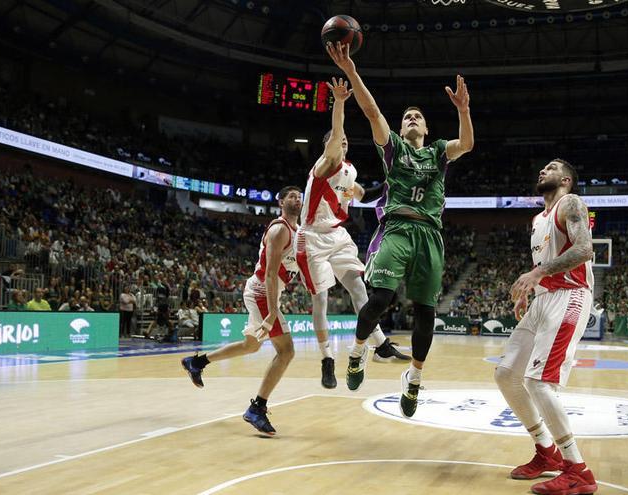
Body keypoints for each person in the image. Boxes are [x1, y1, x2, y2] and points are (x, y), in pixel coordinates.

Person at [327, 41, 474, 416]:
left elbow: (468, 143)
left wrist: (463, 109)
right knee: (379, 299)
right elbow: (372, 110)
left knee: (427, 313)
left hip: (430, 235)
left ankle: (413, 379)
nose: (411, 118)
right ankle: (359, 353)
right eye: (407, 116)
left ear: (426, 127)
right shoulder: (392, 147)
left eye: (417, 117)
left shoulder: (439, 150)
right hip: (397, 229)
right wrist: (351, 71)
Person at [295, 77, 409, 389]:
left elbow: (362, 194)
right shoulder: (325, 163)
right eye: (337, 140)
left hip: (336, 236)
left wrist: (393, 185)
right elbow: (338, 133)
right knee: (322, 301)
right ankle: (327, 359)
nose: (342, 143)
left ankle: (381, 344)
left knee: (359, 289)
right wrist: (341, 102)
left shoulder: (349, 170)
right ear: (328, 145)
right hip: (311, 237)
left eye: (344, 142)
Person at [495, 159, 598, 495]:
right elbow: (544, 263)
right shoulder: (538, 218)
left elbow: (584, 250)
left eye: (551, 168)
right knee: (506, 374)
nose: (542, 170)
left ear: (566, 179)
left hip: (569, 297)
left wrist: (537, 275)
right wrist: (531, 290)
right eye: (541, 167)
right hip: (543, 299)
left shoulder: (571, 203)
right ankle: (546, 451)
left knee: (539, 383)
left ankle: (578, 470)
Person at [180, 187, 303, 436]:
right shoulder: (280, 229)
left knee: (251, 346)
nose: (297, 198)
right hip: (261, 293)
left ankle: (196, 362)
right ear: (280, 202)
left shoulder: (300, 233)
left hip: (268, 293)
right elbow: (269, 273)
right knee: (286, 351)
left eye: (300, 196)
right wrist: (271, 310)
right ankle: (257, 408)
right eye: (291, 195)